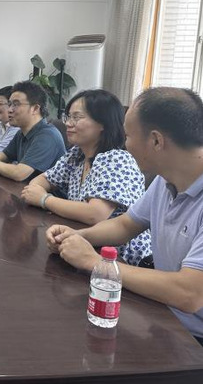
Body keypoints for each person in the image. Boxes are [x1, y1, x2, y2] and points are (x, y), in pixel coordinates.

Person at [45, 87, 203, 345]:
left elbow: (190, 293)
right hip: (162, 314)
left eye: (128, 136)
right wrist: (76, 236)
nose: (125, 144)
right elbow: (127, 224)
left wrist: (95, 262)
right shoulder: (165, 179)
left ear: (156, 141)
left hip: (192, 340)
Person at [22, 89, 149, 265]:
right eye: (68, 117)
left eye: (77, 117)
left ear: (103, 123)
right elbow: (40, 181)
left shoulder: (117, 159)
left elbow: (95, 214)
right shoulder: (77, 154)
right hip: (83, 242)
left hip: (119, 258)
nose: (68, 123)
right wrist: (39, 194)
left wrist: (44, 199)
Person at [0, 81, 65, 182]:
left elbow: (19, 173)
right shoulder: (21, 133)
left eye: (16, 104)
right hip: (25, 188)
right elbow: (3, 156)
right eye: (10, 104)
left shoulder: (47, 136)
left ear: (35, 108)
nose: (9, 110)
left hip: (44, 191)